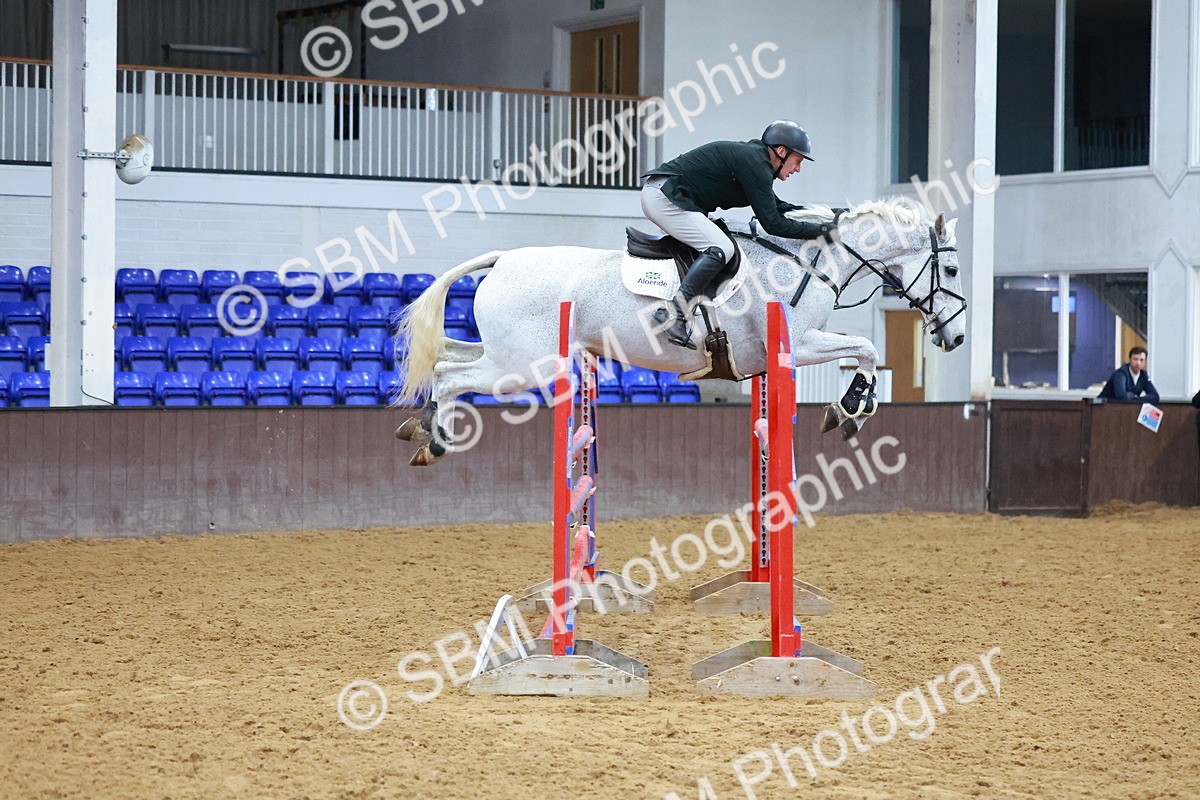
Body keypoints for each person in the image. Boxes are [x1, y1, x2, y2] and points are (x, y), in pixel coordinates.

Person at [640, 120, 838, 349]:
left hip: (668, 195)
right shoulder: (756, 164)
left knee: (724, 241)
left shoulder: (756, 161)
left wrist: (826, 217)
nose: (798, 169)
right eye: (798, 161)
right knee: (722, 248)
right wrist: (820, 232)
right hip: (665, 196)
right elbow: (773, 224)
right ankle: (674, 313)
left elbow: (777, 206)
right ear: (781, 152)